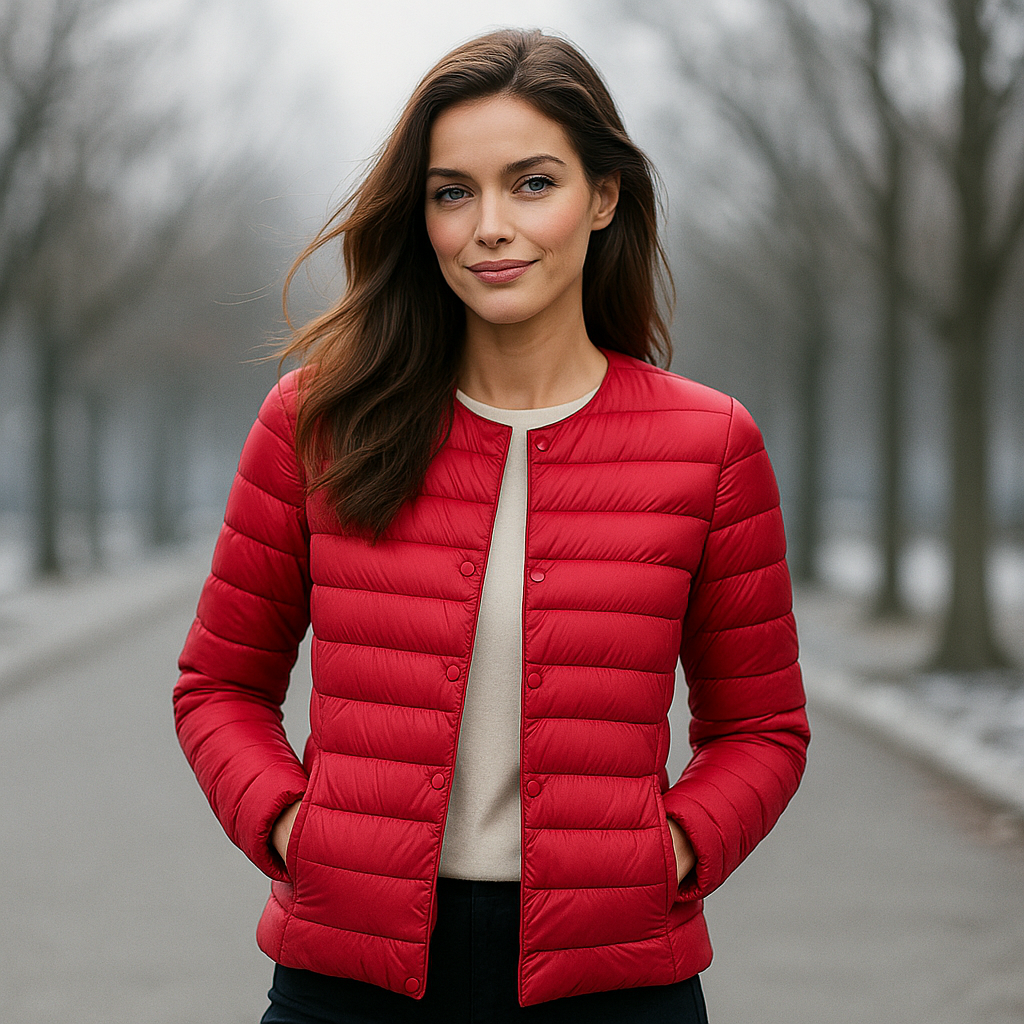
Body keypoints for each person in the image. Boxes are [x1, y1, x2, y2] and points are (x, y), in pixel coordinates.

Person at [174, 27, 809, 1024]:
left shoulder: (710, 444)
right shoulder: (318, 424)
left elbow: (761, 727)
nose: (489, 227)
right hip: (352, 978)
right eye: (452, 191)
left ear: (602, 197)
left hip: (614, 984)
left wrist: (674, 850)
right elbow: (218, 684)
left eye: (531, 183)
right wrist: (297, 828)